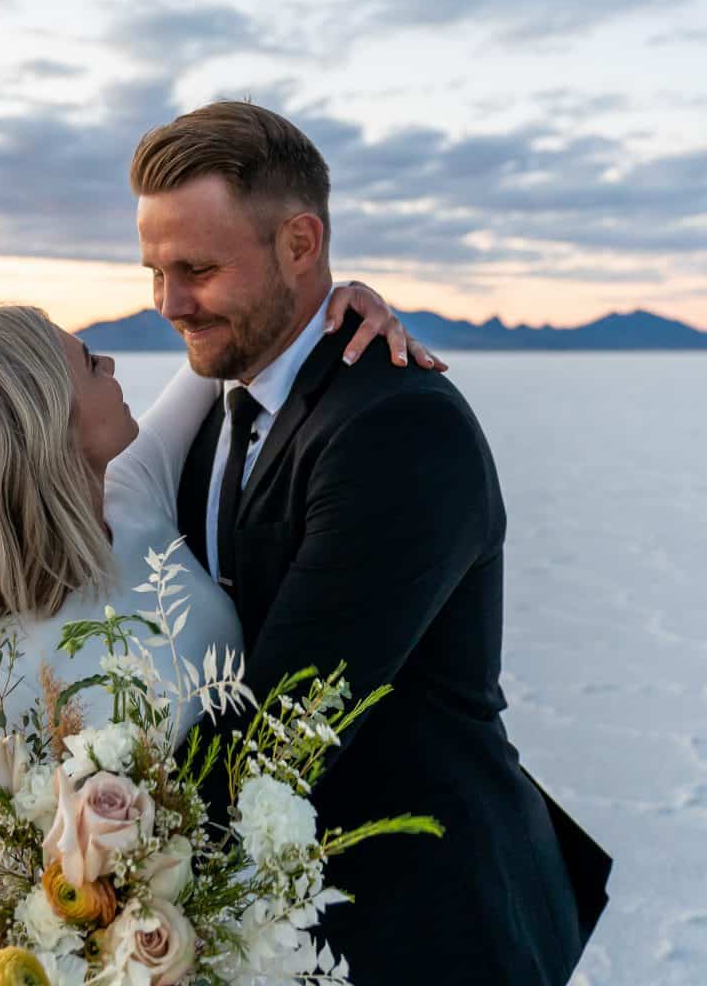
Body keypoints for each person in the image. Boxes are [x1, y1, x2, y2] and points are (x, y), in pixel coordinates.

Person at [133, 100, 612, 984]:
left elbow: (287, 722)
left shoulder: (396, 426)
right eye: (155, 270)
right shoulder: (216, 407)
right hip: (270, 925)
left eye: (196, 269)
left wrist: (104, 852)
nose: (168, 303)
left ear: (301, 243)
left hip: (421, 928)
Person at [0, 286, 438, 758]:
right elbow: (13, 877)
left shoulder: (127, 492)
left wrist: (335, 306)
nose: (109, 366)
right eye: (89, 363)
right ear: (47, 419)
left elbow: (226, 356)